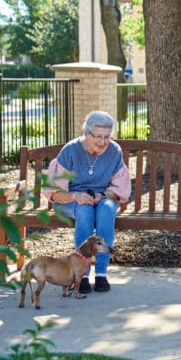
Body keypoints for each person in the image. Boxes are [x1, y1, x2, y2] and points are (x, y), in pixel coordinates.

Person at [44, 110, 131, 293]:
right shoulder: (71, 151)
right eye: (98, 136)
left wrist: (105, 195)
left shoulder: (114, 151)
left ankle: (101, 274)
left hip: (100, 198)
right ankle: (81, 275)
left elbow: (121, 189)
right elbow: (54, 192)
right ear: (86, 133)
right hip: (70, 200)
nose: (102, 141)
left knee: (107, 209)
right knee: (84, 211)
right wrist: (75, 196)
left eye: (107, 136)